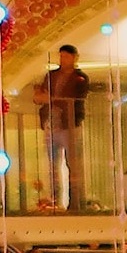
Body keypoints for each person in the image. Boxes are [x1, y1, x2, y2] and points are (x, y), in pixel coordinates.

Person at [38, 43, 90, 212]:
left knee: (73, 164)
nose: (62, 59)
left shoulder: (79, 78)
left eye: (66, 56)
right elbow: (41, 95)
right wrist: (46, 98)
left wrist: (52, 98)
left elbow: (75, 98)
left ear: (74, 58)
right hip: (52, 123)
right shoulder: (51, 75)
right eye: (61, 56)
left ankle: (75, 202)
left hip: (69, 124)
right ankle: (55, 200)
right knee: (53, 165)